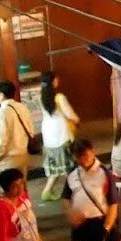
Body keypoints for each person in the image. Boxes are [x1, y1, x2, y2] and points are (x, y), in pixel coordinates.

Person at [65, 140, 119, 241]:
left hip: (99, 225)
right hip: (80, 227)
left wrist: (106, 228)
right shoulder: (73, 174)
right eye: (79, 157)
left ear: (92, 151)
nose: (83, 160)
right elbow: (66, 197)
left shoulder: (104, 173)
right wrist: (70, 213)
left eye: (85, 156)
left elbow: (113, 203)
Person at [38, 70, 79, 201]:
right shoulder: (59, 98)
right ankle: (72, 191)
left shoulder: (41, 97)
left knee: (56, 167)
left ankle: (47, 191)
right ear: (53, 81)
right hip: (62, 133)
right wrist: (77, 120)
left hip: (48, 135)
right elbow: (71, 115)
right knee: (70, 166)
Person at [0, 80, 34, 182]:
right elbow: (31, 129)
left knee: (9, 191)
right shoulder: (22, 107)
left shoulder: (1, 113)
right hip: (23, 153)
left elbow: (0, 138)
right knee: (22, 188)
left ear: (1, 95)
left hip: (7, 158)